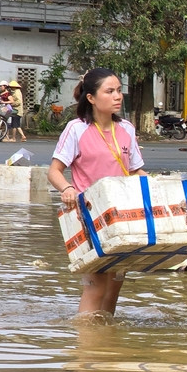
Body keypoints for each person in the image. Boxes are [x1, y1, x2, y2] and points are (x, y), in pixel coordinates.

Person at [46, 68, 147, 317]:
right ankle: (86, 349)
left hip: (122, 219)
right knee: (96, 285)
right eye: (109, 91)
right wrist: (68, 188)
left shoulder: (126, 129)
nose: (118, 96)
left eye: (119, 90)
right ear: (90, 97)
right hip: (89, 218)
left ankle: (105, 346)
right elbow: (55, 171)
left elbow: (137, 172)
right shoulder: (76, 129)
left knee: (114, 286)